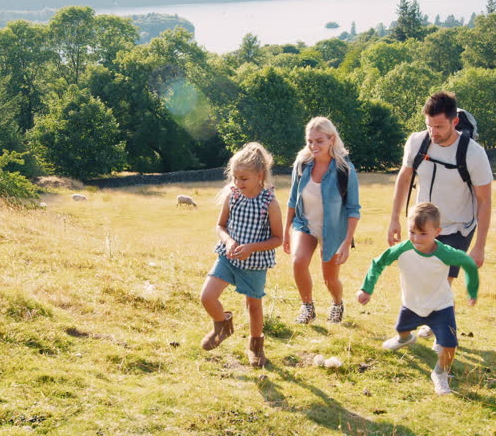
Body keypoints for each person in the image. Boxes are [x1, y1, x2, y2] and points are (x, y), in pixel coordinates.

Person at [387, 91, 492, 341]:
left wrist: (479, 246)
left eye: (439, 126)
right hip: (423, 225)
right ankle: (425, 325)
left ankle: (443, 337)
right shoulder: (417, 142)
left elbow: (485, 200)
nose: (433, 132)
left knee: (442, 283)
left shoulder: (473, 153)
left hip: (458, 226)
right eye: (429, 125)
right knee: (420, 278)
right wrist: (394, 218)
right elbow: (404, 178)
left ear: (454, 122)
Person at [357, 202, 479, 395]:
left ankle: (439, 373)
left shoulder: (445, 253)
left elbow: (469, 264)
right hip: (412, 304)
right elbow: (378, 263)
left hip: (441, 306)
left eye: (423, 234)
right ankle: (405, 339)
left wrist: (472, 290)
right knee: (402, 330)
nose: (416, 238)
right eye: (412, 232)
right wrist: (367, 289)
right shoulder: (402, 249)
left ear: (437, 232)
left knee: (449, 345)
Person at [199, 142, 283, 368]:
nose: (238, 183)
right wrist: (228, 241)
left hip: (254, 264)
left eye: (243, 178)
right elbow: (220, 226)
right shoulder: (232, 195)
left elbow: (278, 238)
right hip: (227, 257)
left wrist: (251, 248)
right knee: (207, 296)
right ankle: (222, 325)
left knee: (254, 307)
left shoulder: (269, 203)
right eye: (235, 177)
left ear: (260, 175)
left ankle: (256, 346)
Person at [284, 117, 360, 324]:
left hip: (334, 231)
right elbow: (292, 200)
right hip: (304, 225)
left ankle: (337, 304)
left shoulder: (345, 170)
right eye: (310, 141)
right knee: (298, 262)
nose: (313, 146)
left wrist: (346, 241)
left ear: (331, 139)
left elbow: (353, 209)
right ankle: (307, 307)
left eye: (319, 141)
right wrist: (286, 233)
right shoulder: (302, 165)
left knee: (330, 279)